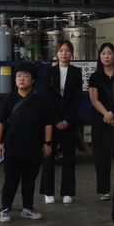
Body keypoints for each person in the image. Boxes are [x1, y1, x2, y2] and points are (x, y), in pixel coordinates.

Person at [0, 61, 54, 222]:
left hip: (34, 148)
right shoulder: (9, 99)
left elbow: (48, 123)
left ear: (33, 80)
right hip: (12, 148)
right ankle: (5, 209)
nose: (21, 79)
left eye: (25, 76)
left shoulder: (40, 100)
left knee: (29, 181)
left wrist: (47, 143)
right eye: (18, 75)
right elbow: (0, 123)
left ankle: (27, 208)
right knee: (10, 181)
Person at [40, 40, 82, 204]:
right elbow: (47, 97)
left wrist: (67, 120)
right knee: (48, 156)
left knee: (69, 156)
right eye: (61, 50)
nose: (64, 53)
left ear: (71, 53)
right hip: (52, 121)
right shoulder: (49, 72)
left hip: (69, 121)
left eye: (67, 50)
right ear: (56, 53)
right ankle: (48, 191)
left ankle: (67, 192)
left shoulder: (76, 72)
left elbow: (77, 99)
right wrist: (57, 119)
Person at [88, 42, 114, 202]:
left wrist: (113, 114)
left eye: (109, 53)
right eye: (103, 53)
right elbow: (94, 99)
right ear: (99, 57)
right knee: (101, 156)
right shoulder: (95, 77)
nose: (106, 56)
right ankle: (104, 189)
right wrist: (106, 114)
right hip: (100, 120)